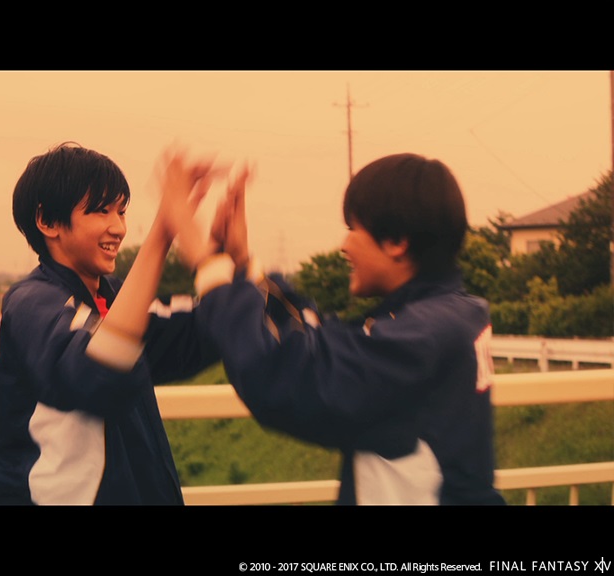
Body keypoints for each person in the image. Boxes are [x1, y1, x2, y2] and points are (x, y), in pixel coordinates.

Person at [163, 152, 505, 505]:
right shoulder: (451, 315)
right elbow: (323, 344)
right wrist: (244, 266)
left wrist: (206, 263)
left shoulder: (425, 335)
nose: (344, 245)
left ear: (396, 241)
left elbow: (285, 379)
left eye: (353, 229)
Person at [0, 143, 220, 505]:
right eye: (102, 211)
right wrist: (162, 232)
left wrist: (227, 264)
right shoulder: (30, 303)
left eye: (121, 212)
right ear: (47, 221)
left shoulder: (117, 299)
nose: (118, 228)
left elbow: (204, 332)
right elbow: (97, 371)